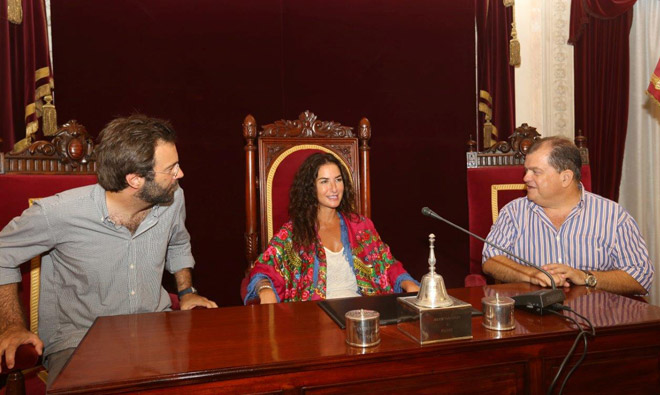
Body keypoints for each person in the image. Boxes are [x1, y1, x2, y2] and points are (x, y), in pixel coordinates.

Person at [0, 115, 217, 386]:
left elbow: (178, 243)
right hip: (81, 342)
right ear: (135, 179)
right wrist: (11, 326)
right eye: (171, 169)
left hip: (156, 332)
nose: (180, 174)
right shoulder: (57, 213)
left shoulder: (173, 198)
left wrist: (186, 292)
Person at [482, 136, 653, 294]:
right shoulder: (513, 213)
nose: (526, 178)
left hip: (595, 319)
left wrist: (586, 277)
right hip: (530, 320)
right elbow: (490, 260)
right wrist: (531, 274)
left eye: (536, 172)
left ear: (565, 178)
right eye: (526, 171)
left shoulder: (613, 216)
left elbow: (641, 277)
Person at [244, 152, 419, 304]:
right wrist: (265, 289)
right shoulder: (294, 232)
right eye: (324, 181)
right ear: (311, 188)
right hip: (314, 319)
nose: (334, 188)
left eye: (338, 180)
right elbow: (264, 268)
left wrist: (407, 282)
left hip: (363, 312)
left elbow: (387, 264)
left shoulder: (361, 226)